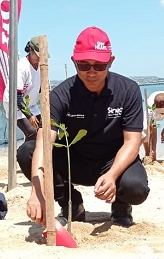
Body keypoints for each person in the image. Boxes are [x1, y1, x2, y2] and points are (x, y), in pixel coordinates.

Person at [20, 26, 149, 228]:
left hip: (113, 160)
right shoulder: (61, 95)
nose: (91, 72)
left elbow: (133, 142)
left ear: (111, 62)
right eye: (83, 65)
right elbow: (43, 144)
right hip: (75, 161)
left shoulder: (128, 90)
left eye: (99, 66)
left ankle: (121, 209)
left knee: (136, 188)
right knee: (27, 151)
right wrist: (37, 192)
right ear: (74, 62)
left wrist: (113, 175)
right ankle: (71, 204)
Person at [3, 36, 42, 142]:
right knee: (32, 132)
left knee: (43, 129)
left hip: (31, 104)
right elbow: (17, 95)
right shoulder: (21, 67)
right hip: (16, 105)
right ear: (30, 50)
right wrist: (29, 116)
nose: (40, 57)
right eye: (38, 54)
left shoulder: (41, 66)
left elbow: (40, 88)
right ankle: (24, 156)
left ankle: (32, 155)